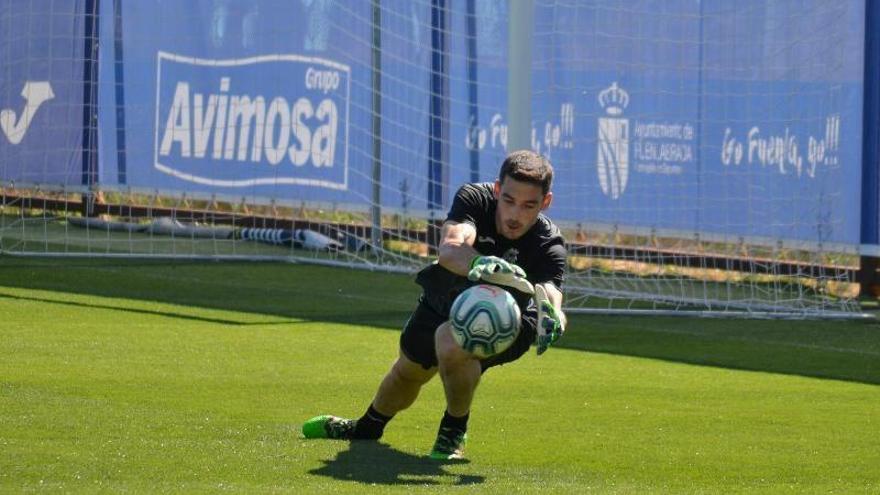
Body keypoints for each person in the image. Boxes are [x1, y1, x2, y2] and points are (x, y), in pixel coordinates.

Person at [302, 149, 568, 459]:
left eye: (528, 206)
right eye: (508, 200)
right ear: (497, 189)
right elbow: (452, 247)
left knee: (449, 339)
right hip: (448, 295)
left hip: (511, 321)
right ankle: (367, 427)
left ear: (545, 203)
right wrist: (479, 262)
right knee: (408, 371)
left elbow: (551, 293)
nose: (515, 214)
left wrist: (554, 317)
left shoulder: (548, 241)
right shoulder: (475, 199)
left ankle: (453, 431)